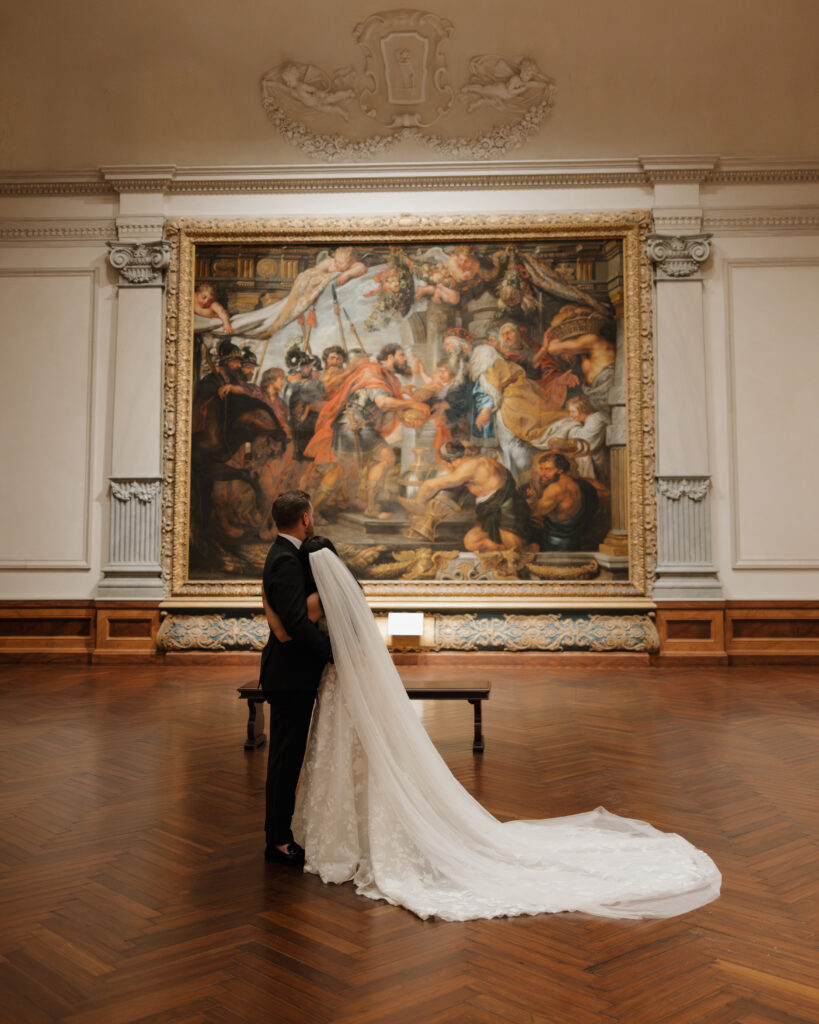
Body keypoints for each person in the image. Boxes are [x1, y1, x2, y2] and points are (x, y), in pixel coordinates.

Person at [260, 542, 722, 920]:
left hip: (337, 684)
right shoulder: (347, 595)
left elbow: (288, 631)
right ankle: (353, 834)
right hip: (344, 684)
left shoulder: (316, 598)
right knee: (359, 760)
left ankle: (343, 837)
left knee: (342, 759)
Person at [259, 491, 332, 866]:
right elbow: (294, 625)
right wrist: (333, 653)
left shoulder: (284, 555)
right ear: (305, 518)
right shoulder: (286, 560)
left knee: (287, 759)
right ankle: (278, 839)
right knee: (285, 761)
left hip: (293, 675)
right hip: (289, 678)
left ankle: (280, 833)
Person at [416, 440, 530, 551]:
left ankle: (525, 547)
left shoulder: (468, 467)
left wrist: (419, 504)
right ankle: (501, 547)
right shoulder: (482, 461)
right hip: (492, 509)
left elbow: (430, 485)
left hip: (506, 509)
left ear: (445, 462)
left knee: (516, 548)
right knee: (471, 542)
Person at [528, 452, 599, 551]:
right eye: (541, 469)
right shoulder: (575, 484)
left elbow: (533, 512)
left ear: (560, 470)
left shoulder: (556, 488)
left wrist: (531, 498)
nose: (542, 473)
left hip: (556, 542)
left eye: (548, 469)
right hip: (573, 539)